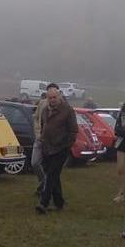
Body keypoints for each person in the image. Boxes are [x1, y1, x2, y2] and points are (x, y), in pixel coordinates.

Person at [34, 84, 77, 214]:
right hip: (47, 147)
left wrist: (66, 144)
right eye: (50, 97)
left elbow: (73, 130)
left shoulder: (68, 110)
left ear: (59, 96)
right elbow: (43, 125)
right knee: (53, 175)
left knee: (52, 175)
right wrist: (42, 138)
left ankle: (43, 203)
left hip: (61, 149)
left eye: (54, 97)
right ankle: (59, 202)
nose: (52, 100)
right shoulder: (45, 110)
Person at [31, 92, 48, 196]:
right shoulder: (42, 103)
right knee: (35, 163)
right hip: (39, 139)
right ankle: (44, 182)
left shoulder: (61, 106)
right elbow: (36, 118)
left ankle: (44, 188)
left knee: (49, 167)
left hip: (51, 142)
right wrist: (37, 132)